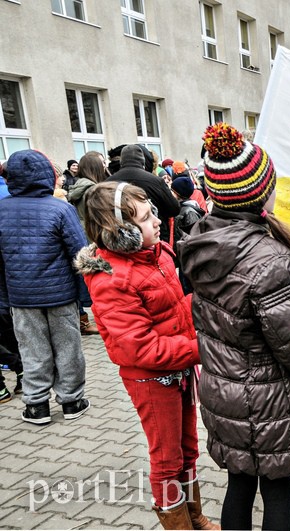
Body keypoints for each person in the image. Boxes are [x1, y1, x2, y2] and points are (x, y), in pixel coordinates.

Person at [178, 123, 290, 531]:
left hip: (221, 391)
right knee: (277, 491)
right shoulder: (268, 259)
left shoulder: (201, 239)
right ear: (262, 192)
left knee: (239, 484)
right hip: (264, 397)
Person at [75, 181, 217, 530]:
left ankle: (195, 517)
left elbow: (173, 311)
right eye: (144, 218)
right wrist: (203, 349)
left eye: (152, 212)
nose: (156, 221)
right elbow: (139, 347)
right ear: (121, 232)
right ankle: (180, 525)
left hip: (179, 367)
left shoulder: (158, 255)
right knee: (167, 459)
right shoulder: (112, 279)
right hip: (152, 380)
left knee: (188, 448)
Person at [0, 149, 89, 425]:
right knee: (68, 347)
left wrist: (3, 298)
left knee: (31, 349)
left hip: (21, 297)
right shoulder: (61, 208)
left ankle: (37, 405)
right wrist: (86, 296)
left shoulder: (1, 210)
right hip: (61, 295)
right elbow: (80, 253)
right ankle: (72, 400)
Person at [106, 144, 180, 242]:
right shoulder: (156, 181)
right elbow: (174, 209)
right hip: (155, 237)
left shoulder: (107, 183)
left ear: (121, 161)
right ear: (143, 162)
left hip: (120, 238)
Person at [68, 151, 107, 335]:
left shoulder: (77, 187)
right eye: (101, 164)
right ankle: (105, 322)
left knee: (90, 283)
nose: (105, 166)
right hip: (94, 238)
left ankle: (89, 321)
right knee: (99, 286)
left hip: (81, 237)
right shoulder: (93, 190)